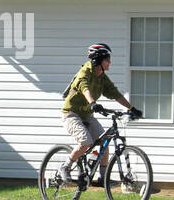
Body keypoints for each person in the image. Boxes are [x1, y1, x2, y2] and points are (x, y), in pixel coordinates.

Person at [59, 43, 141, 185]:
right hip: (71, 114)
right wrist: (92, 103)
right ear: (98, 60)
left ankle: (103, 178)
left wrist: (132, 108)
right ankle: (65, 166)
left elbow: (115, 94)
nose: (110, 63)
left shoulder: (102, 77)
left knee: (104, 142)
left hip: (86, 115)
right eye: (107, 60)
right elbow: (84, 88)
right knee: (86, 142)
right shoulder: (85, 72)